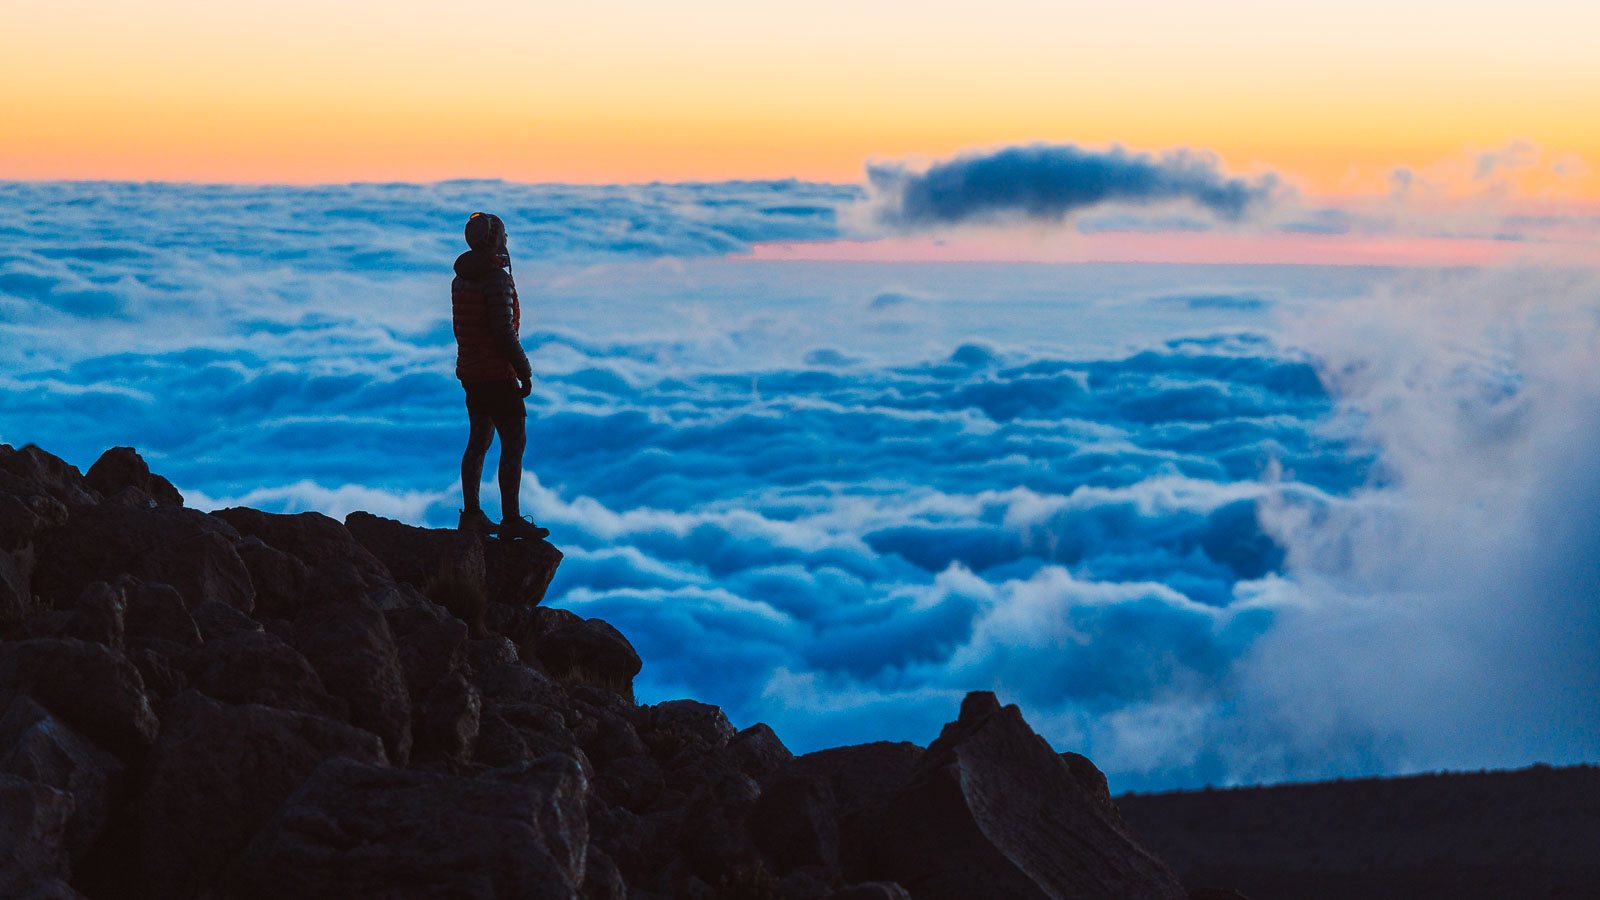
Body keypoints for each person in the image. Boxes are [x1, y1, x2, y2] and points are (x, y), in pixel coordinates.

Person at [452, 211, 548, 540]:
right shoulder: (496, 280)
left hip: (472, 372)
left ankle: (473, 515)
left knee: (478, 440)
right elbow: (503, 332)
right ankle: (511, 520)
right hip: (496, 374)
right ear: (494, 240)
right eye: (503, 236)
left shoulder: (462, 278)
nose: (506, 242)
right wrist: (524, 370)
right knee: (514, 442)